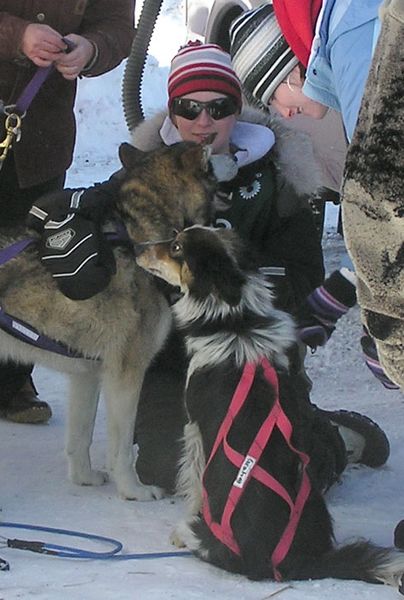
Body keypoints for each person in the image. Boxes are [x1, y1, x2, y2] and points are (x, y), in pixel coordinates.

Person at [29, 41, 390, 496]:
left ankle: (337, 439)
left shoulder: (279, 177)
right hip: (172, 357)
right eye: (189, 107)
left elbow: (302, 279)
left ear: (236, 110)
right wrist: (62, 219)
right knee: (173, 470)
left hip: (249, 352)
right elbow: (90, 211)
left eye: (219, 107)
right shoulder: (145, 170)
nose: (203, 121)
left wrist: (224, 279)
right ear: (173, 111)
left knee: (274, 475)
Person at [229, 0, 404, 391]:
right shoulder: (353, 19)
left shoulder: (351, 42)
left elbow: (387, 195)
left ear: (291, 71)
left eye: (271, 97)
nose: (285, 115)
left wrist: (387, 324)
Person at [0, 1, 135, 424]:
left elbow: (117, 26)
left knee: (28, 265)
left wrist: (90, 48)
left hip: (39, 139)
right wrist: (16, 34)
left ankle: (11, 379)